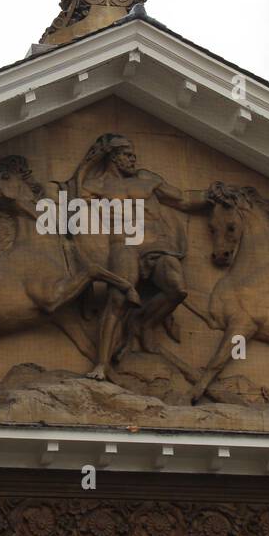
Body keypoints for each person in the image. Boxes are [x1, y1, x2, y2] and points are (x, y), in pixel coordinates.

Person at [64, 133, 211, 379]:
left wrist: (213, 195)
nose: (133, 159)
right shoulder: (96, 186)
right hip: (125, 246)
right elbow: (73, 206)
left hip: (157, 245)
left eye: (134, 155)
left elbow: (184, 199)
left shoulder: (147, 179)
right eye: (127, 155)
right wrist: (87, 165)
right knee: (117, 299)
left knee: (177, 288)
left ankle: (143, 323)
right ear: (113, 157)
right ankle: (101, 364)